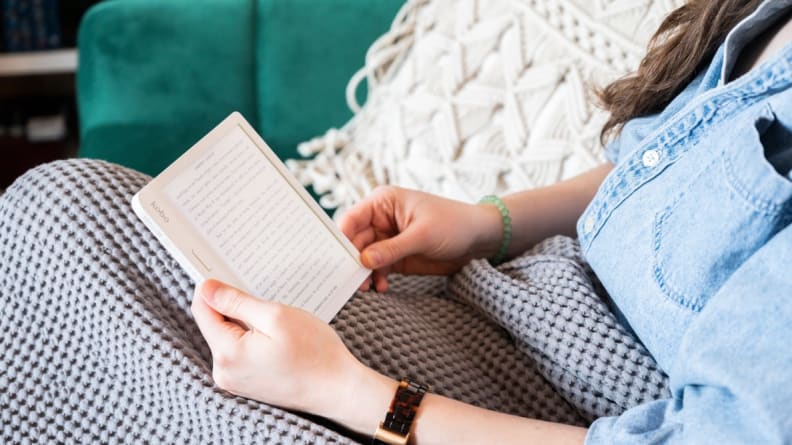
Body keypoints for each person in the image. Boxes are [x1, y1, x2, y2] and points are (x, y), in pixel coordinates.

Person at [0, 0, 789, 444]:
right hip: (510, 304)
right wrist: (488, 224)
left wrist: (349, 391)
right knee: (63, 210)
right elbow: (658, 164)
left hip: (556, 408)